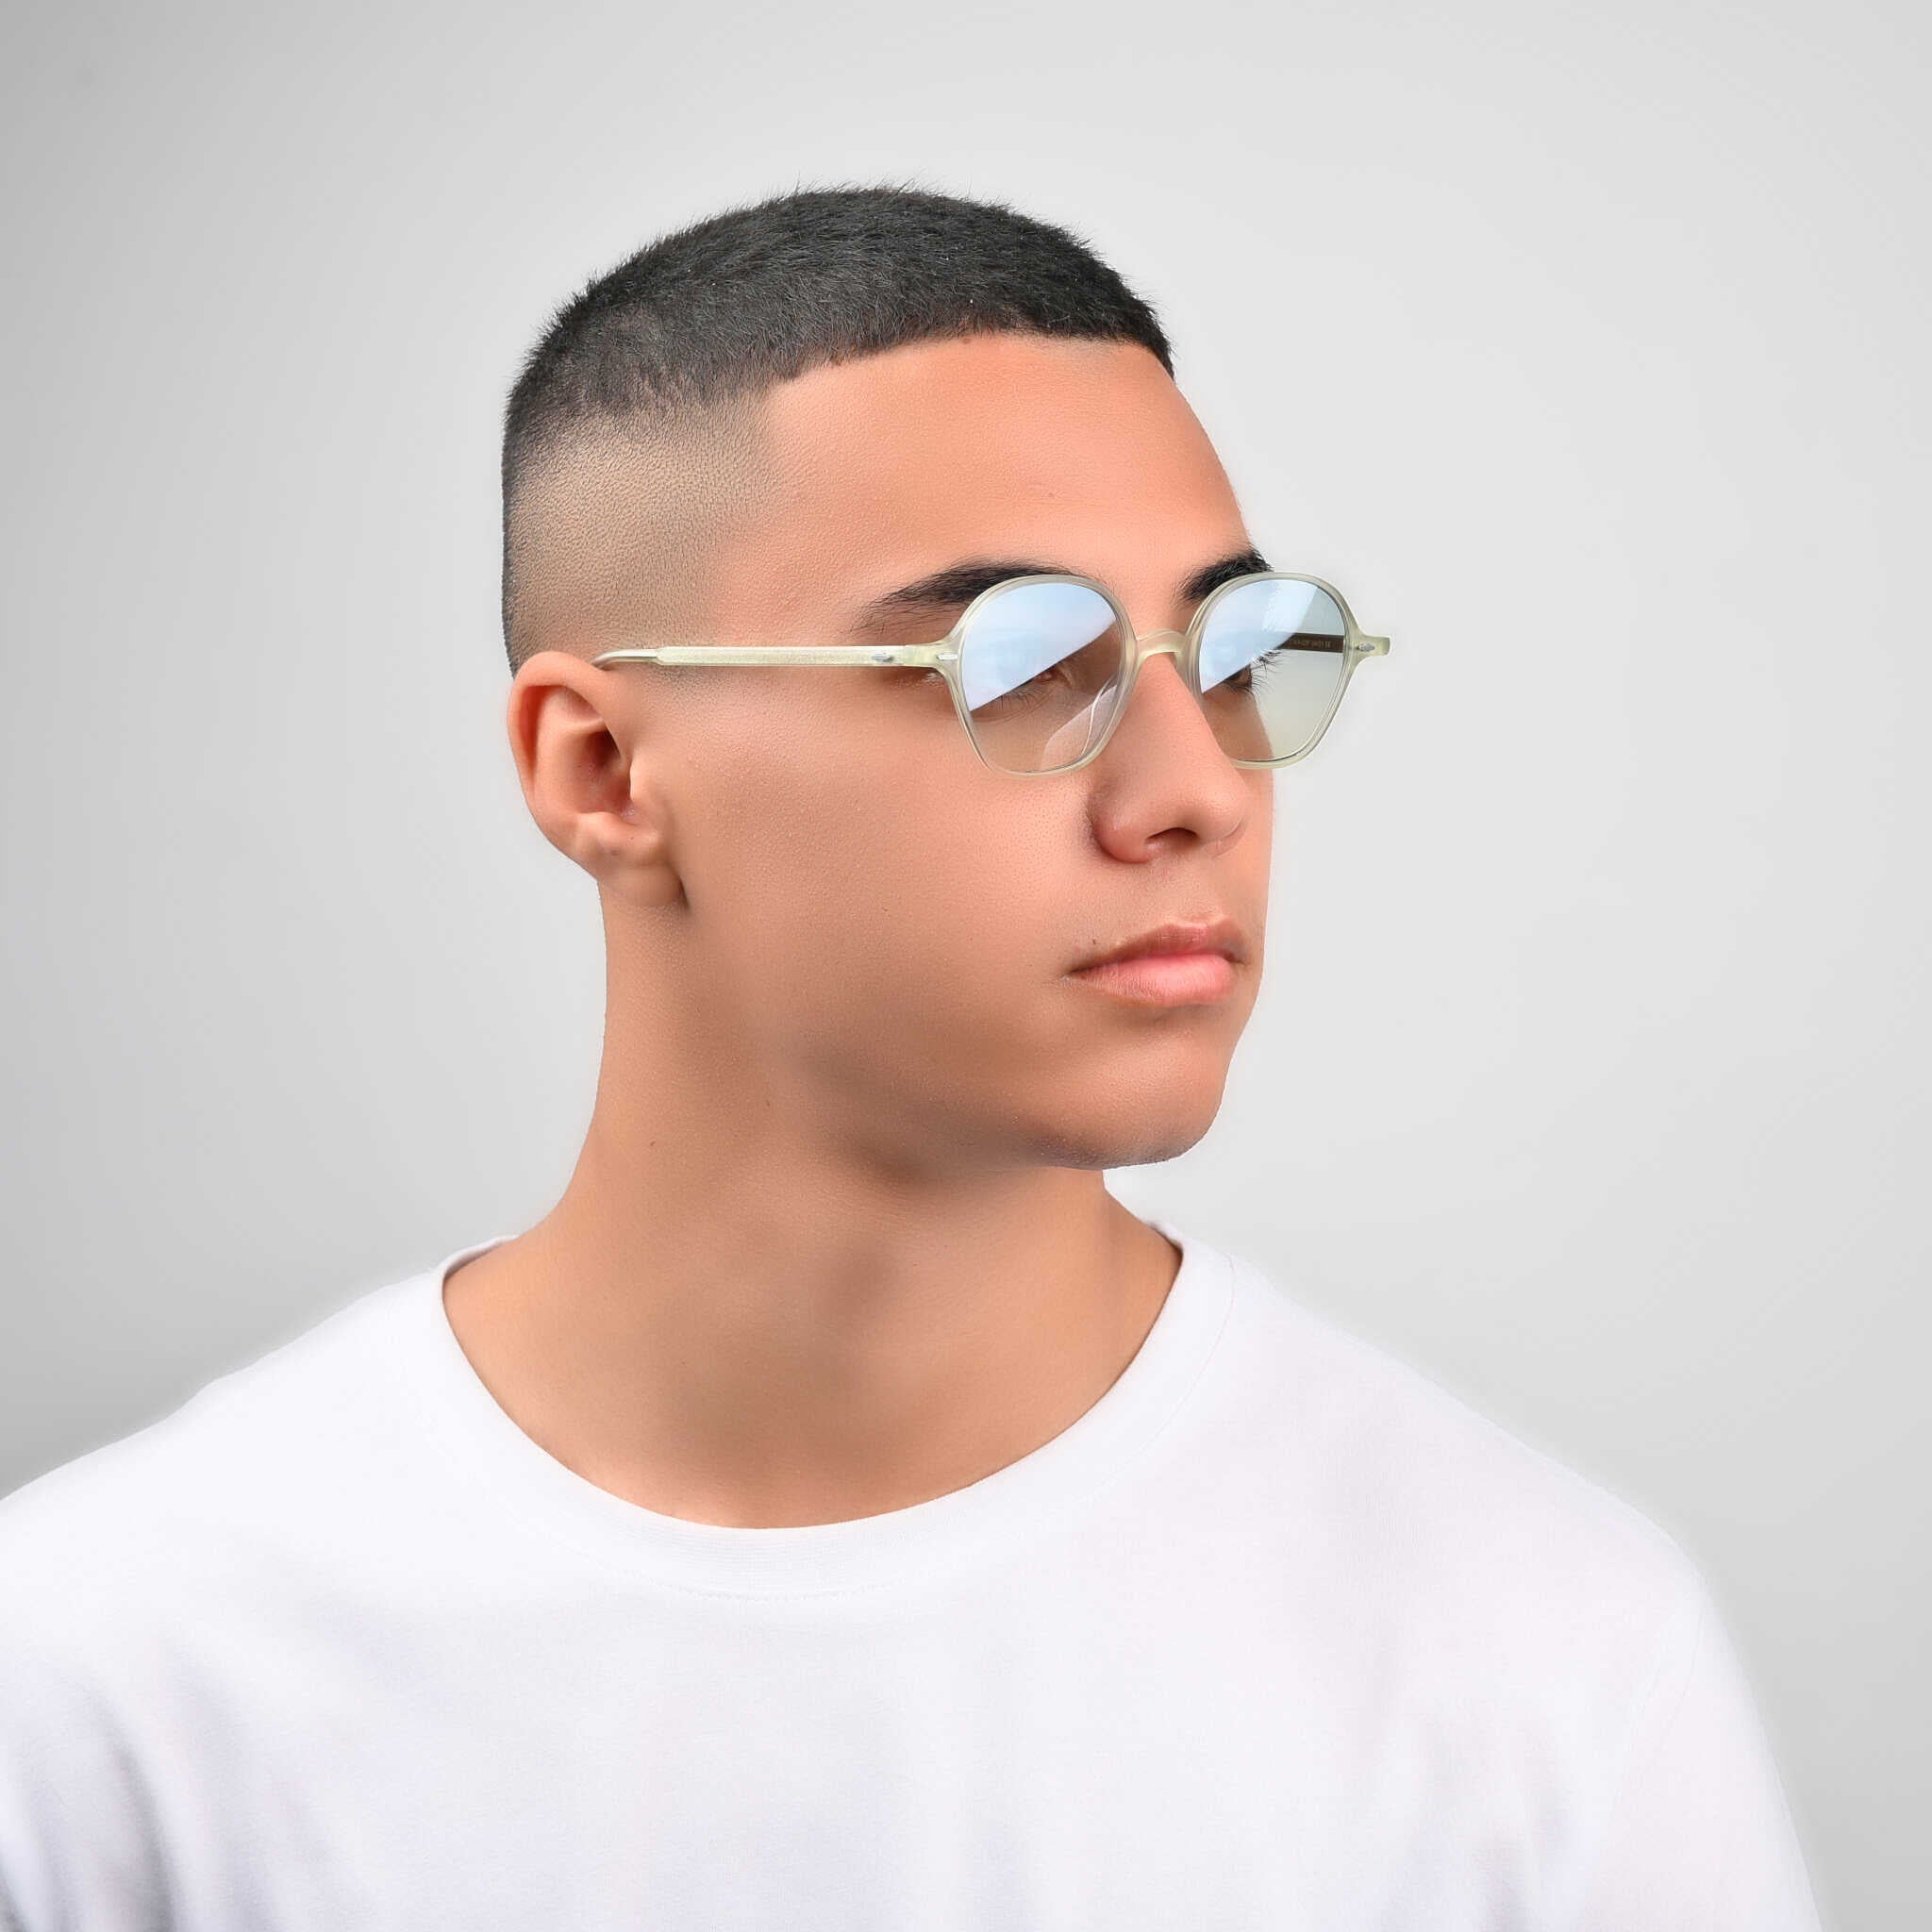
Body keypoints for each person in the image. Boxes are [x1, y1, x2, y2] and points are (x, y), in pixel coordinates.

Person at [0, 182, 1822, 1930]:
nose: (1196, 791)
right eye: (1023, 666)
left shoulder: (1538, 1659)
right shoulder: (112, 1682)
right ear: (602, 770)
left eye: (1237, 653)